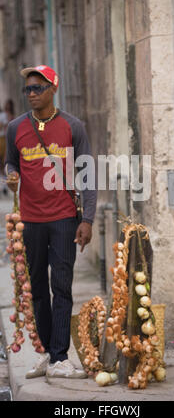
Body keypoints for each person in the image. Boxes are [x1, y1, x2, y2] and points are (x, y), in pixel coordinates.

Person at [5, 65, 97, 379]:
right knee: (37, 291)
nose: (31, 94)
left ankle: (60, 357)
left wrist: (88, 219)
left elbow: (87, 175)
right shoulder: (16, 128)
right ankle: (46, 353)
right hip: (30, 221)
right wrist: (11, 176)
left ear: (53, 88)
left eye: (37, 88)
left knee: (62, 286)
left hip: (62, 219)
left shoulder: (73, 126)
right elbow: (10, 162)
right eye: (27, 89)